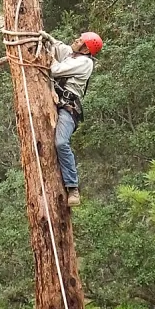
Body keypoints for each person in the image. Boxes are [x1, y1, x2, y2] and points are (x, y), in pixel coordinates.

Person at [43, 30, 103, 208]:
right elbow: (59, 47)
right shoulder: (72, 54)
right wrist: (47, 38)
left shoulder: (84, 62)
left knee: (61, 142)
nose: (76, 40)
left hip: (68, 108)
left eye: (80, 40)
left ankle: (72, 187)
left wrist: (49, 55)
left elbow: (55, 70)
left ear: (86, 49)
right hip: (53, 102)